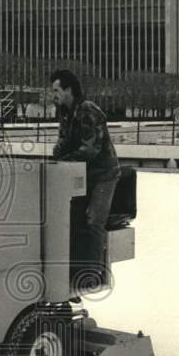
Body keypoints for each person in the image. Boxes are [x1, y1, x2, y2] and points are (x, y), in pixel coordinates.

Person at [49, 69, 120, 280]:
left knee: (94, 220)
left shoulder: (88, 110)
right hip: (82, 171)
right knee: (70, 217)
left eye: (56, 90)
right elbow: (63, 142)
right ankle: (73, 270)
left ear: (68, 89)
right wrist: (56, 156)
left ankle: (92, 272)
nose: (54, 94)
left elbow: (91, 149)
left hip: (104, 173)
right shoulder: (64, 112)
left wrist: (63, 161)